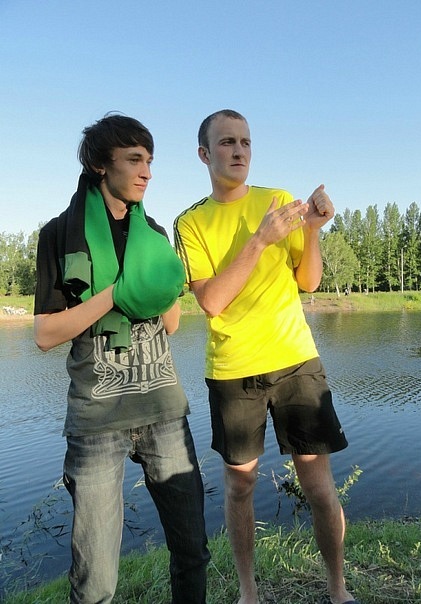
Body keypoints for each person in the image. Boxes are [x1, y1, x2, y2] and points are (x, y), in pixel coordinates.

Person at [174, 109, 359, 604]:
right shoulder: (190, 222)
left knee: (319, 487)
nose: (239, 151)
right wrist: (259, 240)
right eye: (227, 142)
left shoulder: (277, 200)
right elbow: (212, 302)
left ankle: (338, 591)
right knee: (240, 487)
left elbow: (309, 281)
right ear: (204, 154)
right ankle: (248, 593)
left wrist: (313, 229)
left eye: (246, 142)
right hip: (233, 372)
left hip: (296, 361)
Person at [34, 114, 210, 604]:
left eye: (149, 161)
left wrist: (163, 284)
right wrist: (117, 293)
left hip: (164, 411)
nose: (146, 172)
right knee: (95, 580)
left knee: (192, 551)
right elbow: (45, 334)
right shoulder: (59, 234)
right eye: (134, 159)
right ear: (99, 164)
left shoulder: (153, 232)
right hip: (96, 420)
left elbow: (171, 324)